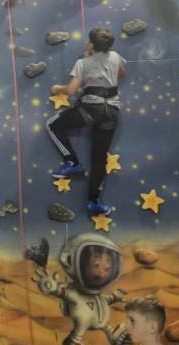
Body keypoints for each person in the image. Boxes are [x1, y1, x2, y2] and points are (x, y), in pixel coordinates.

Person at [46, 27, 125, 216]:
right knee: (99, 158)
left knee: (52, 125)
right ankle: (94, 201)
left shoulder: (82, 63)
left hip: (91, 110)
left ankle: (72, 162)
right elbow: (120, 74)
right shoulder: (115, 57)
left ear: (91, 44)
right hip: (111, 112)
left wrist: (57, 89)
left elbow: (71, 90)